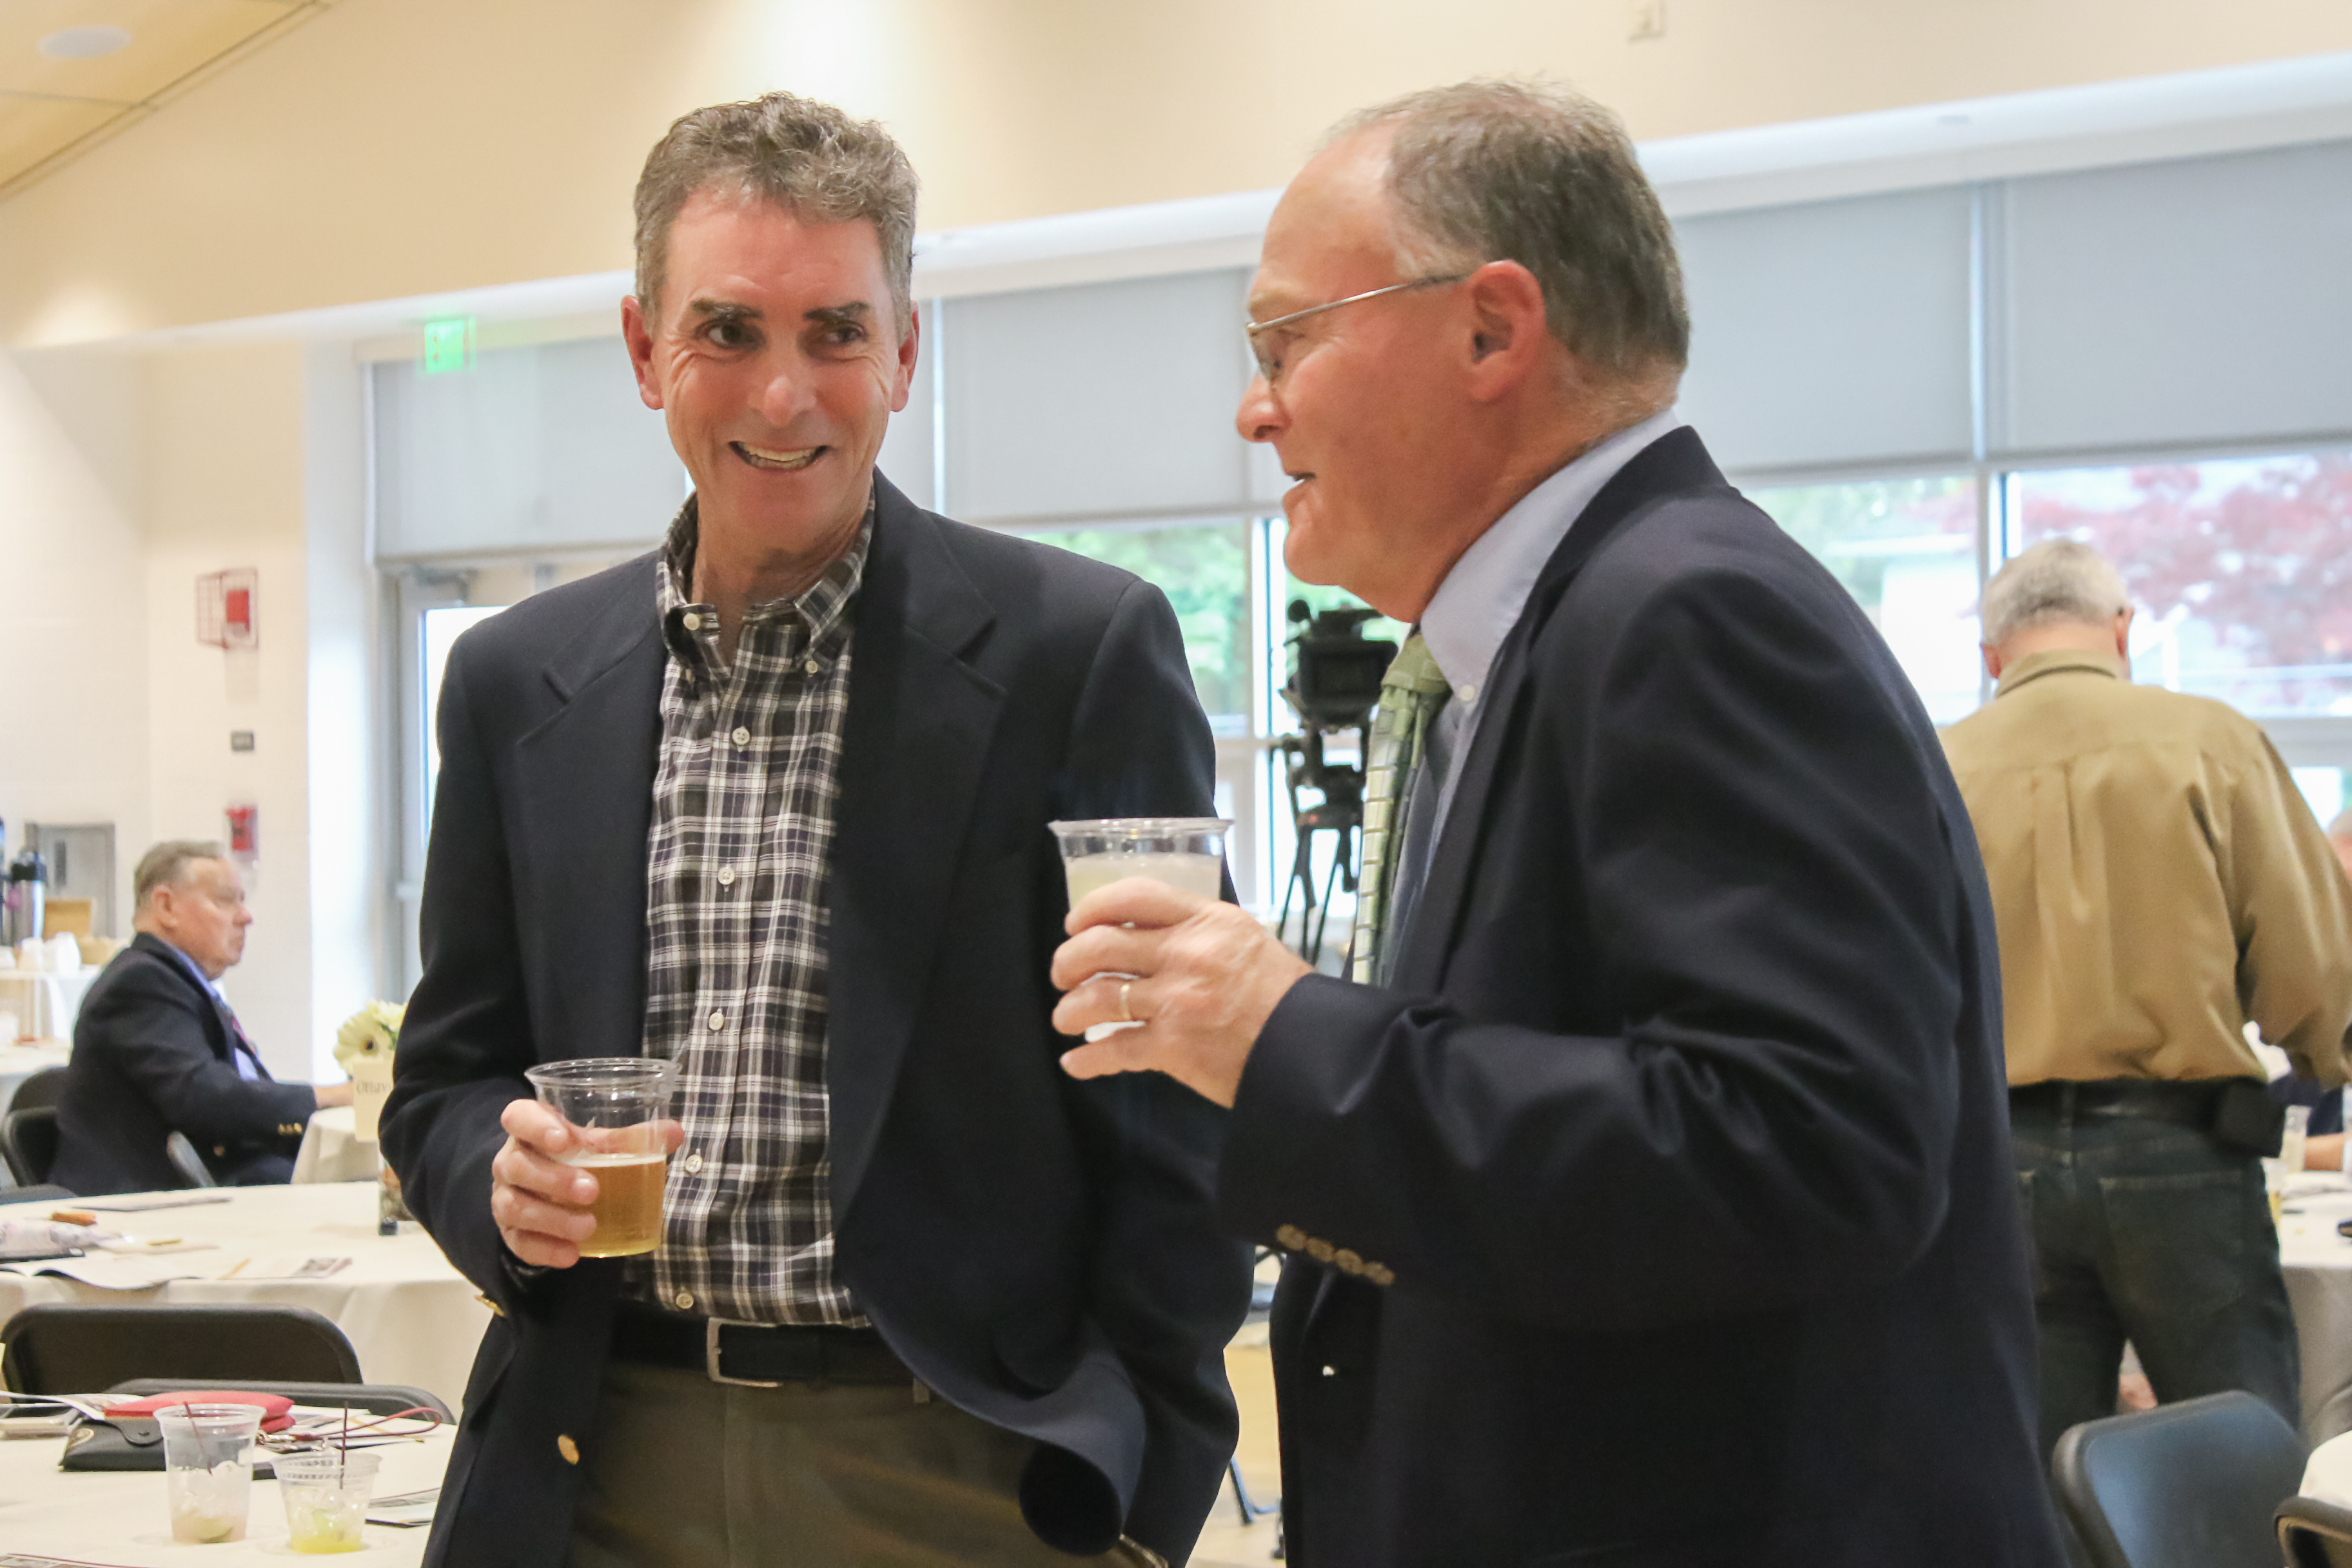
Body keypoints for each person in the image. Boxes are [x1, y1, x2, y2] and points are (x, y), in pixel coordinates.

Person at [1048, 81, 2061, 1568]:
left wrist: (1287, 1039)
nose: (1255, 408)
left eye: (1285, 340)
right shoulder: (1555, 638)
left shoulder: (1688, 613)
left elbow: (1804, 1150)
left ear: (1491, 329)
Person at [378, 92, 1249, 1568]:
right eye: (726, 331)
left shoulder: (1081, 654)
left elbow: (1176, 1102)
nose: (783, 396)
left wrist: (1144, 1490)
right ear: (644, 348)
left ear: (905, 350)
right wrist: (493, 1177)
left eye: (835, 332)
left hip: (958, 1475)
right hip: (598, 1466)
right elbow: (450, 1075)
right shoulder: (515, 681)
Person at [1942, 538, 2352, 1456]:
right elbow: (2308, 959)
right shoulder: (2210, 742)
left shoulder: (1938, 765)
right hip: (2180, 1146)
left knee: (2046, 1465)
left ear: (1994, 655)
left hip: (2002, 1159)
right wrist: (2326, 1055)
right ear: (2122, 630)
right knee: (2241, 1452)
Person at [52, 839, 348, 1194]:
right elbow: (206, 1098)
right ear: (166, 906)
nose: (246, 916)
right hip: (145, 1199)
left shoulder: (178, 981)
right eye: (226, 900)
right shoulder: (141, 982)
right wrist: (331, 1096)